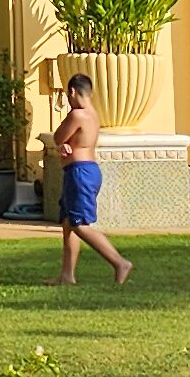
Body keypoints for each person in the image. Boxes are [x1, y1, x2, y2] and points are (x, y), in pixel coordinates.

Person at [53, 73, 131, 288]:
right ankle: (67, 276)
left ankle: (119, 262)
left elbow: (59, 136)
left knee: (79, 225)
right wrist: (64, 146)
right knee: (68, 222)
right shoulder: (93, 115)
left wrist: (61, 143)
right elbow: (69, 141)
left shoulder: (77, 115)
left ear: (72, 92)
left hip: (80, 173)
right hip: (87, 171)